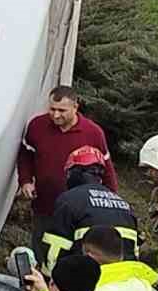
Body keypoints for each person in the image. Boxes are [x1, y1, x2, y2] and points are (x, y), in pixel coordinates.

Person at [17, 86, 114, 253]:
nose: (56, 115)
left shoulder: (93, 133)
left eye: (62, 110)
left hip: (79, 210)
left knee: (72, 250)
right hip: (44, 205)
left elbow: (107, 170)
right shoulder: (37, 126)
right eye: (52, 109)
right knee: (41, 247)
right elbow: (25, 155)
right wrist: (25, 180)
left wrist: (111, 202)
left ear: (75, 107)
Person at [40, 145, 140, 272]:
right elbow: (134, 253)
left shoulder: (69, 200)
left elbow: (55, 247)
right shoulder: (124, 205)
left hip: (85, 281)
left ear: (74, 173)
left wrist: (48, 280)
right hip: (122, 281)